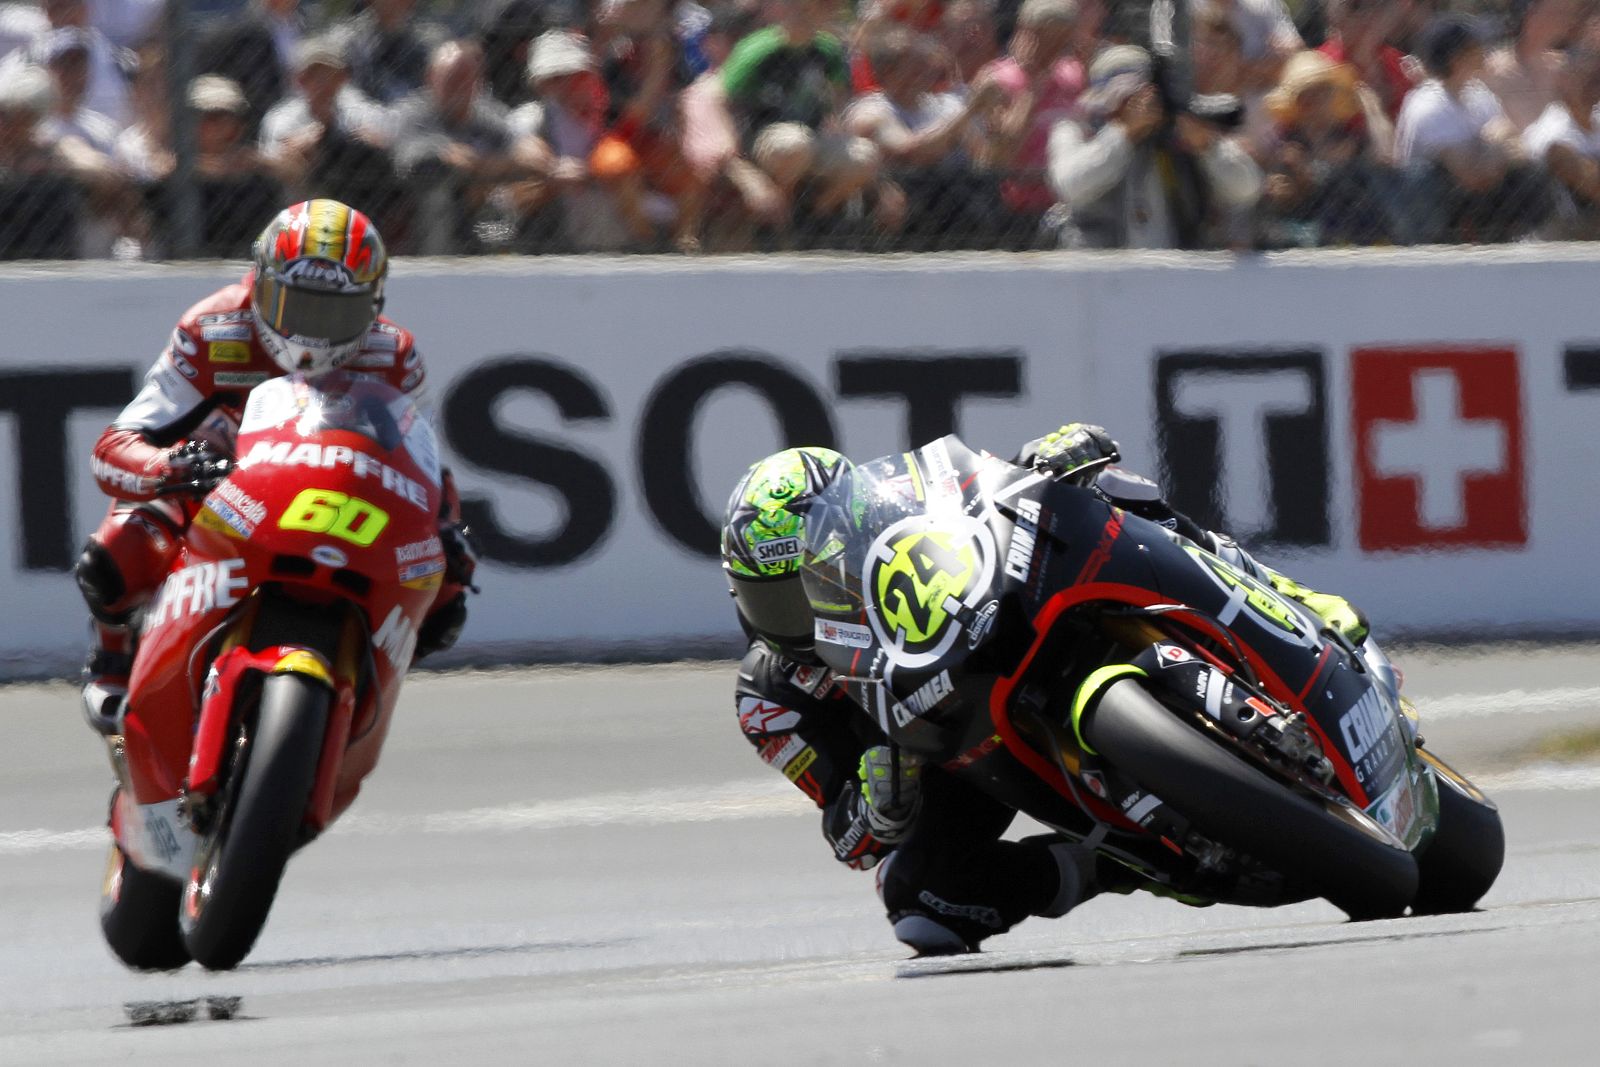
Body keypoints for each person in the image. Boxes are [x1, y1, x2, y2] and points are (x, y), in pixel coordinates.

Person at [719, 426, 1367, 955]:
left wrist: (1049, 458)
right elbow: (849, 836)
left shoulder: (904, 511)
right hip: (949, 760)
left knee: (1105, 488)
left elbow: (981, 486)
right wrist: (877, 801)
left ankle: (1281, 595)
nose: (796, 610)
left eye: (808, 580)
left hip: (981, 636)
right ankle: (1111, 866)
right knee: (919, 902)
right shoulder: (770, 700)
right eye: (772, 597)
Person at [74, 198, 476, 732]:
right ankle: (115, 654)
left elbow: (430, 471)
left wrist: (447, 531)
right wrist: (170, 466)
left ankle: (356, 685)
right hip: (217, 485)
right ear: (260, 285)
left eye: (332, 313)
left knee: (448, 594)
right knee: (115, 553)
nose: (309, 335)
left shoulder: (393, 355)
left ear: (373, 305)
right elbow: (117, 443)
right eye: (295, 306)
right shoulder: (213, 328)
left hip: (340, 501)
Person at [1047, 43, 1264, 249]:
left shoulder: (1177, 134)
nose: (1138, 107)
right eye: (1125, 100)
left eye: (1142, 98)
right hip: (1098, 275)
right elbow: (1071, 185)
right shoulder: (1076, 130)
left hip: (1175, 271)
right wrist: (1124, 133)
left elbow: (1247, 189)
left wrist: (1207, 146)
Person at [1394, 15, 1550, 244]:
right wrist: (1496, 144)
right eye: (1476, 47)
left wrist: (1494, 145)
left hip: (1475, 202)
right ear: (1458, 58)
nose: (1486, 51)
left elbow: (1520, 146)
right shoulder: (1428, 105)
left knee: (1534, 172)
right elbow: (1473, 177)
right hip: (1434, 217)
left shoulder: (1476, 93)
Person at [1523, 46, 1600, 239]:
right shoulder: (1552, 129)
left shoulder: (1597, 118)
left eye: (1596, 76)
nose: (1592, 84)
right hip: (1562, 241)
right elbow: (1592, 186)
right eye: (1583, 76)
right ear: (1564, 81)